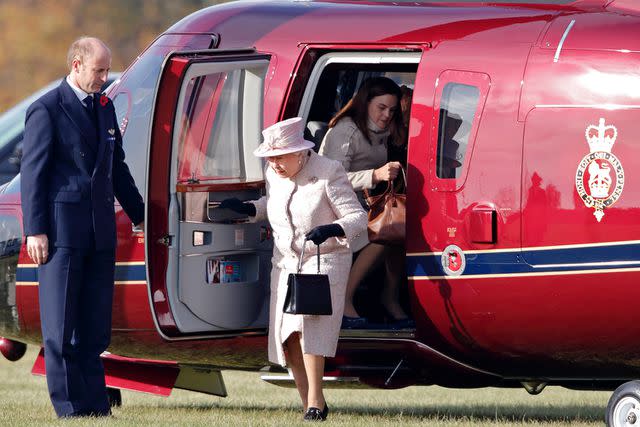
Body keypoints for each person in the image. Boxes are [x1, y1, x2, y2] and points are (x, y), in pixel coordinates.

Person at [20, 37, 144, 418]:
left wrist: (141, 215)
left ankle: (95, 407)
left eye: (107, 70)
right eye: (99, 70)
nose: (105, 78)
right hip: (60, 235)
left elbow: (116, 167)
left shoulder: (104, 108)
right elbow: (33, 175)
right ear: (77, 65)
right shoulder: (46, 109)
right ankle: (69, 407)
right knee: (60, 329)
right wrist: (36, 229)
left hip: (99, 233)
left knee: (94, 330)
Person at [219, 117, 367, 421]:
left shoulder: (329, 171)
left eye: (280, 157)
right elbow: (271, 204)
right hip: (286, 263)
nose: (274, 164)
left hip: (323, 261)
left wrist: (330, 229)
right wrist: (249, 209)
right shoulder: (275, 175)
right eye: (270, 158)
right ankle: (309, 404)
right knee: (286, 338)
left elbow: (357, 218)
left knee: (306, 330)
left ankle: (315, 401)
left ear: (301, 152)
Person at [319, 76, 413, 329]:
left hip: (362, 204)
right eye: (381, 108)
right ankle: (344, 300)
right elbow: (328, 179)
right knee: (381, 235)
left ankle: (389, 298)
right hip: (335, 207)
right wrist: (375, 175)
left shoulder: (381, 130)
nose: (386, 115)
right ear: (365, 102)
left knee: (399, 233)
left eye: (392, 110)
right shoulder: (346, 131)